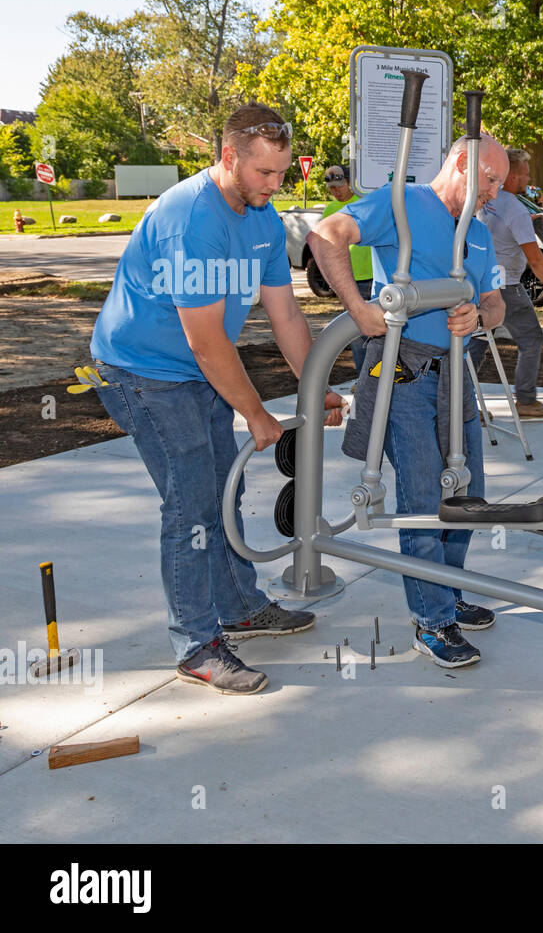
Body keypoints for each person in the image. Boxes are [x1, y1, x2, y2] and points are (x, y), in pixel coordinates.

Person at [88, 103, 346, 695]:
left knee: (221, 490)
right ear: (229, 157)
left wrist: (315, 383)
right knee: (192, 506)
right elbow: (206, 343)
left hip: (196, 371)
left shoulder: (260, 214)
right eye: (265, 174)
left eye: (283, 173)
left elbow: (284, 313)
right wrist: (254, 412)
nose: (276, 185)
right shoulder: (191, 219)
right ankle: (197, 645)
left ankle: (239, 609)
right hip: (142, 372)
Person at [308, 133, 510, 668]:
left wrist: (479, 315)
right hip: (402, 367)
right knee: (422, 496)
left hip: (455, 371)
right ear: (464, 163)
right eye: (491, 180)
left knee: (468, 493)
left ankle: (449, 589)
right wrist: (358, 307)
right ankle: (431, 620)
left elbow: (494, 303)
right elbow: (326, 235)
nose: (494, 193)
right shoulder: (401, 202)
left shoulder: (480, 231)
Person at [473, 147, 543, 418]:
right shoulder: (515, 208)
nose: (528, 179)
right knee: (531, 339)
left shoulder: (488, 200)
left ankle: (462, 405)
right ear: (512, 176)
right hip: (507, 287)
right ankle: (525, 401)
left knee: (477, 340)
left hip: (482, 282)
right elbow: (537, 260)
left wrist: (526, 222)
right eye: (525, 174)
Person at [321, 164, 373, 374]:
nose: (335, 190)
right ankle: (363, 377)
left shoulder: (365, 202)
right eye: (331, 187)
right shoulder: (329, 210)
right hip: (349, 281)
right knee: (356, 333)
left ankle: (381, 376)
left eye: (339, 185)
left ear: (351, 183)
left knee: (379, 332)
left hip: (373, 277)